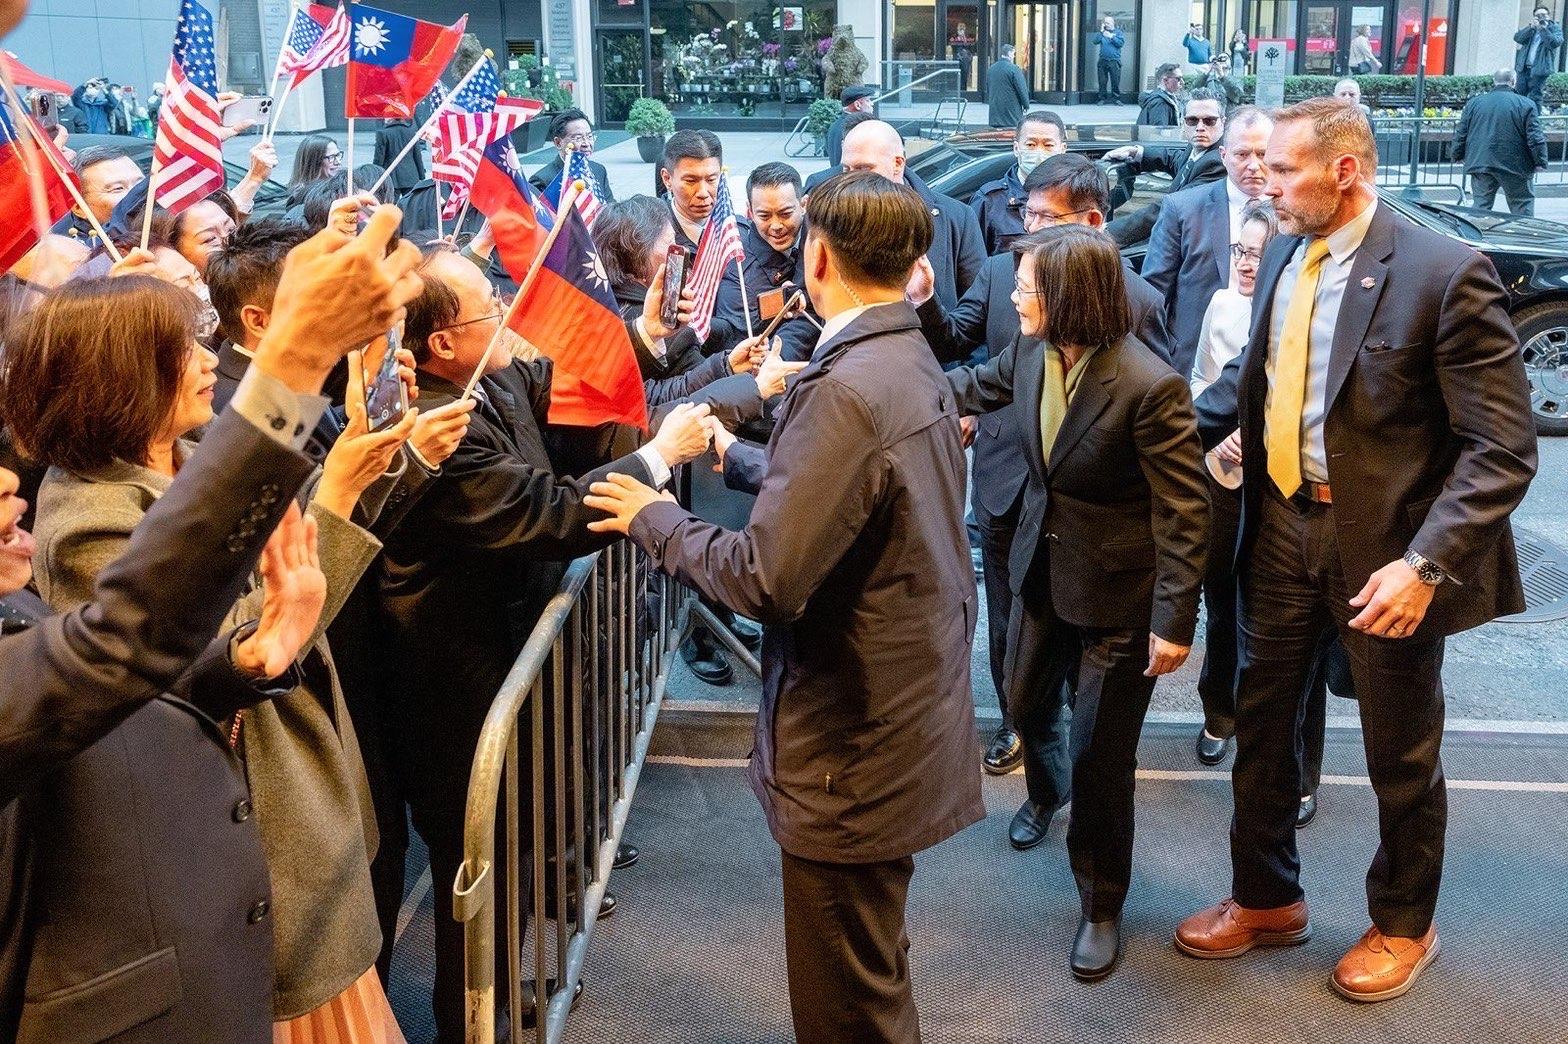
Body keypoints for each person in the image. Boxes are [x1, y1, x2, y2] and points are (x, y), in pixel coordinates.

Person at [0, 205, 425, 1043]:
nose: (207, 361)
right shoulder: (87, 517)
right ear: (122, 377)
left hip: (301, 811)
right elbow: (166, 642)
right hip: (240, 849)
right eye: (182, 350)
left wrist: (359, 473)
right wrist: (304, 392)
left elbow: (285, 575)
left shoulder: (190, 460)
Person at [586, 170, 983, 1043]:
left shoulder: (846, 385)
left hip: (855, 735)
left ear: (820, 257)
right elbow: (858, 494)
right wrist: (741, 458)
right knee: (869, 969)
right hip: (895, 710)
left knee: (849, 999)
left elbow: (764, 578)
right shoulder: (902, 354)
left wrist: (656, 519)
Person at [1179, 97, 1537, 1003]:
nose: (1263, 183)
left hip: (1387, 551)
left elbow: (1502, 450)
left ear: (1344, 171)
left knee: (1399, 748)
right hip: (1279, 523)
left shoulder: (1444, 273)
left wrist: (1425, 566)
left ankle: (1405, 925)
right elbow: (1251, 384)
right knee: (1263, 724)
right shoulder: (1285, 253)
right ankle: (1266, 899)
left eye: (1283, 169)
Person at [376, 244, 712, 1042]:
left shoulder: (489, 377)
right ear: (442, 343)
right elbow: (543, 513)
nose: (505, 314)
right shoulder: (432, 423)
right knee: (477, 870)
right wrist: (659, 458)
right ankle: (469, 1022)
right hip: (455, 685)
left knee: (515, 857)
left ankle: (492, 998)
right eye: (488, 309)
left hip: (507, 660)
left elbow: (560, 396)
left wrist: (642, 340)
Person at [945, 224, 1207, 981]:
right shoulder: (1030, 352)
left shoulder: (1149, 386)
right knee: (1025, 704)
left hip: (1119, 601)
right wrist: (880, 382)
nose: (1015, 296)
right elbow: (968, 386)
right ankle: (1047, 790)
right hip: (1042, 574)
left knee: (1101, 759)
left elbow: (1184, 512)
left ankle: (1100, 903)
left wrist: (1174, 620)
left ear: (1067, 298)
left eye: (1027, 286)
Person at [911, 153, 1174, 787]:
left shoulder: (1140, 332)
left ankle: (1091, 766)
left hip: (1102, 545)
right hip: (1017, 502)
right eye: (1025, 214)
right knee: (1019, 660)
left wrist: (1172, 616)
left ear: (1090, 225)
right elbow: (963, 367)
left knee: (1095, 711)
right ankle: (1033, 760)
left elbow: (1170, 475)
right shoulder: (1018, 310)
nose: (1027, 230)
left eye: (1045, 219)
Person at [1142, 106, 1275, 380]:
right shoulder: (1183, 209)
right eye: (1242, 154)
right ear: (1224, 156)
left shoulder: (1293, 212)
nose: (1253, 165)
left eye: (1263, 154)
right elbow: (1152, 295)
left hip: (1271, 366)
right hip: (1193, 366)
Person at [841, 120, 985, 319]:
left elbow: (975, 309)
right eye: (846, 170)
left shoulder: (959, 217)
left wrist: (927, 306)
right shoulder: (829, 217)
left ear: (897, 164)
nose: (851, 180)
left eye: (863, 169)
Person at [1104, 87, 1228, 247]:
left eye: (1209, 121)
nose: (1200, 127)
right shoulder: (1197, 147)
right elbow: (1176, 160)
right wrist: (1137, 152)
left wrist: (1107, 232)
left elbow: (1169, 208)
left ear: (1223, 122)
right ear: (1183, 122)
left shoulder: (1219, 162)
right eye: (1192, 120)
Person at [1453, 69, 1549, 217]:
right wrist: (1540, 161)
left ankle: (1474, 230)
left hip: (1481, 161)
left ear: (1494, 81)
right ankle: (1522, 232)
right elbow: (1535, 138)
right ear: (1513, 81)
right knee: (1522, 206)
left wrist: (1457, 155)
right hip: (1516, 164)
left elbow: (1461, 132)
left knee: (1480, 207)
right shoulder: (1526, 104)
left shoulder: (1474, 103)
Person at [970, 109, 1066, 255]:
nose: (1039, 152)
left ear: (1062, 149)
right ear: (1016, 148)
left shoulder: (1073, 197)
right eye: (1031, 145)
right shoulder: (989, 201)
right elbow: (972, 260)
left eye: (1048, 145)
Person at [50, 145, 144, 247]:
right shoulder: (70, 252)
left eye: (141, 184)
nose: (138, 194)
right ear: (79, 208)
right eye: (118, 188)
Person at [529, 108, 615, 207]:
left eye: (589, 136)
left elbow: (611, 209)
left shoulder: (599, 170)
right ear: (558, 142)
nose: (586, 144)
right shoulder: (542, 180)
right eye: (578, 138)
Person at [1515, 6, 1562, 108]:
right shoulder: (1531, 28)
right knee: (1519, 96)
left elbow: (1554, 43)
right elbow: (1517, 38)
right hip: (1524, 68)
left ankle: (1535, 117)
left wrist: (1543, 29)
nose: (1541, 17)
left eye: (1543, 15)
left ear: (1548, 16)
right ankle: (1521, 116)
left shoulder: (1554, 28)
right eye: (1538, 15)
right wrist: (1530, 28)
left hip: (1540, 69)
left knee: (1535, 96)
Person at [287, 134, 345, 208]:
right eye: (331, 157)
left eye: (338, 155)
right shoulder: (301, 200)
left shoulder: (342, 185)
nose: (338, 162)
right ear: (313, 162)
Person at [825, 84, 876, 167]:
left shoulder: (835, 126)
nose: (872, 103)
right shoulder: (856, 127)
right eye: (868, 100)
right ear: (857, 105)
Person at [373, 117, 425, 195]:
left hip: (391, 177)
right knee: (410, 202)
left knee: (391, 202)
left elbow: (379, 158)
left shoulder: (383, 133)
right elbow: (417, 156)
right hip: (411, 176)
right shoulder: (411, 132)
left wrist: (375, 175)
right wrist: (421, 175)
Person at [987, 43, 1030, 129]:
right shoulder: (1014, 69)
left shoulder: (991, 68)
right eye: (1013, 54)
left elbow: (988, 88)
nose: (1014, 56)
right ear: (1009, 53)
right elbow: (1021, 89)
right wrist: (1026, 105)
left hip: (995, 112)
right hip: (1011, 111)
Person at [1137, 63, 1183, 128]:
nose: (1182, 82)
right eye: (1178, 79)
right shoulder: (1160, 103)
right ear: (1165, 80)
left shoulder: (1164, 99)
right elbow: (1159, 132)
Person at [1095, 17, 1125, 104]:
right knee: (1102, 81)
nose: (1106, 24)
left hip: (1114, 61)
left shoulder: (1118, 32)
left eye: (1108, 23)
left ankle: (1116, 99)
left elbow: (1120, 43)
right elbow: (1095, 41)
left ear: (1113, 23)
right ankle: (1102, 99)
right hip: (1103, 60)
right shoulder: (1102, 33)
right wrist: (1101, 32)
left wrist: (1111, 36)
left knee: (1115, 81)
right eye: (1105, 23)